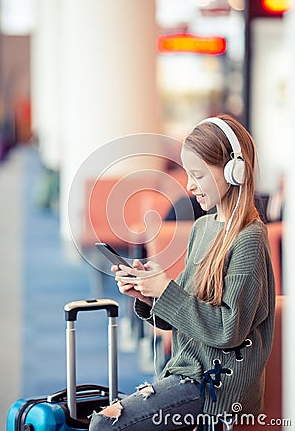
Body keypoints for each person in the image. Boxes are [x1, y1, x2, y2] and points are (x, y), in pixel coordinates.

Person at [89, 115, 275, 430]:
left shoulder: (250, 238)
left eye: (198, 175)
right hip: (186, 372)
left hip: (216, 389)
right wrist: (149, 294)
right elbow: (188, 309)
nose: (189, 185)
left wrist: (166, 291)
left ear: (235, 171)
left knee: (105, 425)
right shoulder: (203, 227)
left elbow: (227, 330)